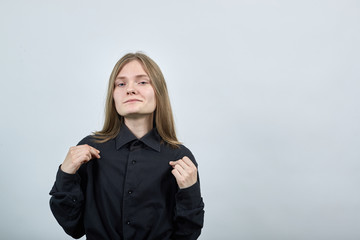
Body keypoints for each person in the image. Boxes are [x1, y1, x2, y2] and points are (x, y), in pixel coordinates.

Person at [49, 52, 205, 240]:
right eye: (121, 84)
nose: (130, 89)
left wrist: (189, 192)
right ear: (113, 96)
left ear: (158, 92)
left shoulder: (180, 157)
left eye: (142, 82)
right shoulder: (89, 149)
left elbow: (187, 235)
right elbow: (73, 226)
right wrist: (66, 174)